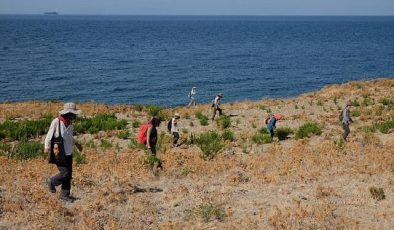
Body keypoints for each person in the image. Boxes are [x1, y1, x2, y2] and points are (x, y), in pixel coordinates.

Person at [44, 102, 83, 202]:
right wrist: (47, 147)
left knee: (68, 175)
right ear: (69, 113)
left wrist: (77, 144)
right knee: (65, 173)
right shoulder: (56, 122)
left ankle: (65, 195)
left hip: (68, 153)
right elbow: (49, 135)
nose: (75, 115)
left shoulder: (70, 123)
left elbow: (69, 138)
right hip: (59, 153)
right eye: (74, 113)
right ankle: (51, 181)